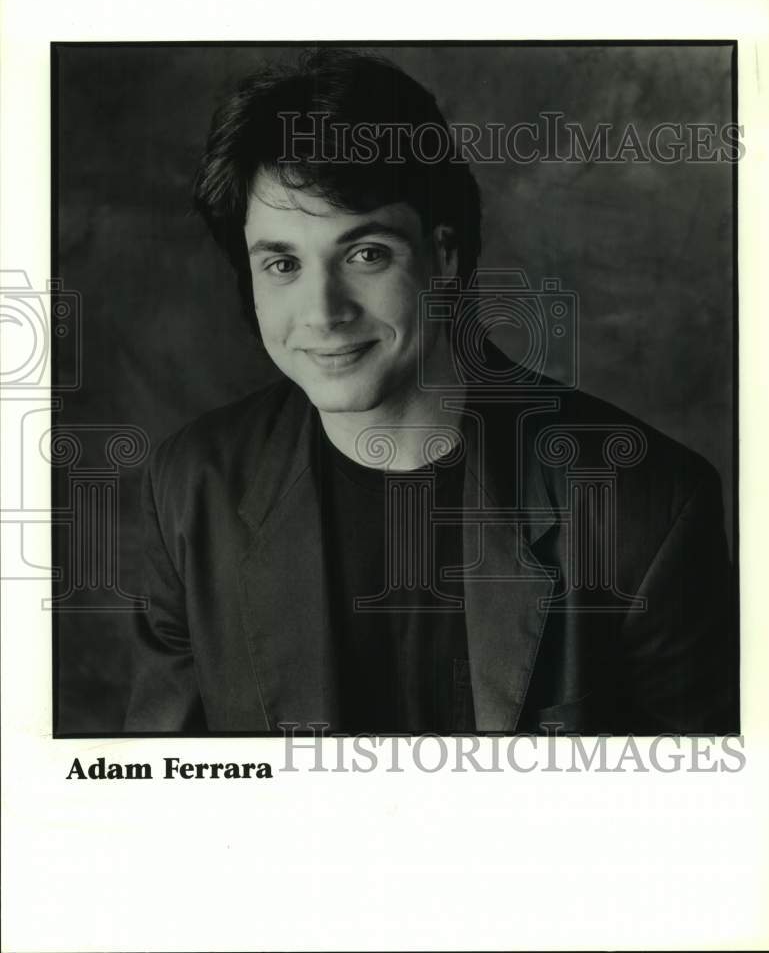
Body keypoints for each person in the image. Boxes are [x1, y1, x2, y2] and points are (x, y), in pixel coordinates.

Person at [124, 50, 737, 735]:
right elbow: (161, 801)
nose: (323, 312)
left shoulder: (646, 503)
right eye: (282, 263)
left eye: (366, 254)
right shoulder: (190, 488)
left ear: (443, 256)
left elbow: (701, 819)